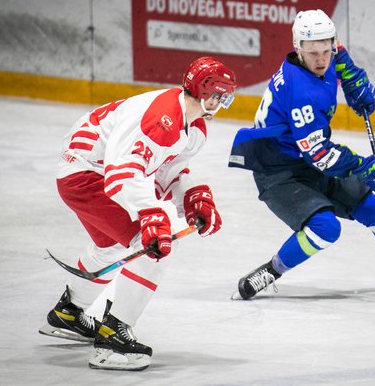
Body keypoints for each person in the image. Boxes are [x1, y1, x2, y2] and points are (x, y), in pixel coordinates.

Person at [228, 9, 375, 300]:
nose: (321, 60)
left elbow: (344, 64)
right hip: (279, 171)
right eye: (313, 53)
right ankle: (270, 271)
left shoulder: (327, 52)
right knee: (325, 228)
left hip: (305, 157)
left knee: (374, 208)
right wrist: (363, 167)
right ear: (298, 49)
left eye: (326, 51)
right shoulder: (300, 91)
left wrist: (355, 82)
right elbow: (320, 155)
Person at [39, 56, 237, 371]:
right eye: (222, 95)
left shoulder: (193, 125)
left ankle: (68, 313)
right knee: (153, 247)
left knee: (113, 246)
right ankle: (112, 341)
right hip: (86, 174)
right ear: (206, 92)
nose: (223, 102)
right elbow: (121, 175)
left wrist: (192, 196)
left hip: (91, 172)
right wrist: (151, 215)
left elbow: (164, 172)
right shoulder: (161, 117)